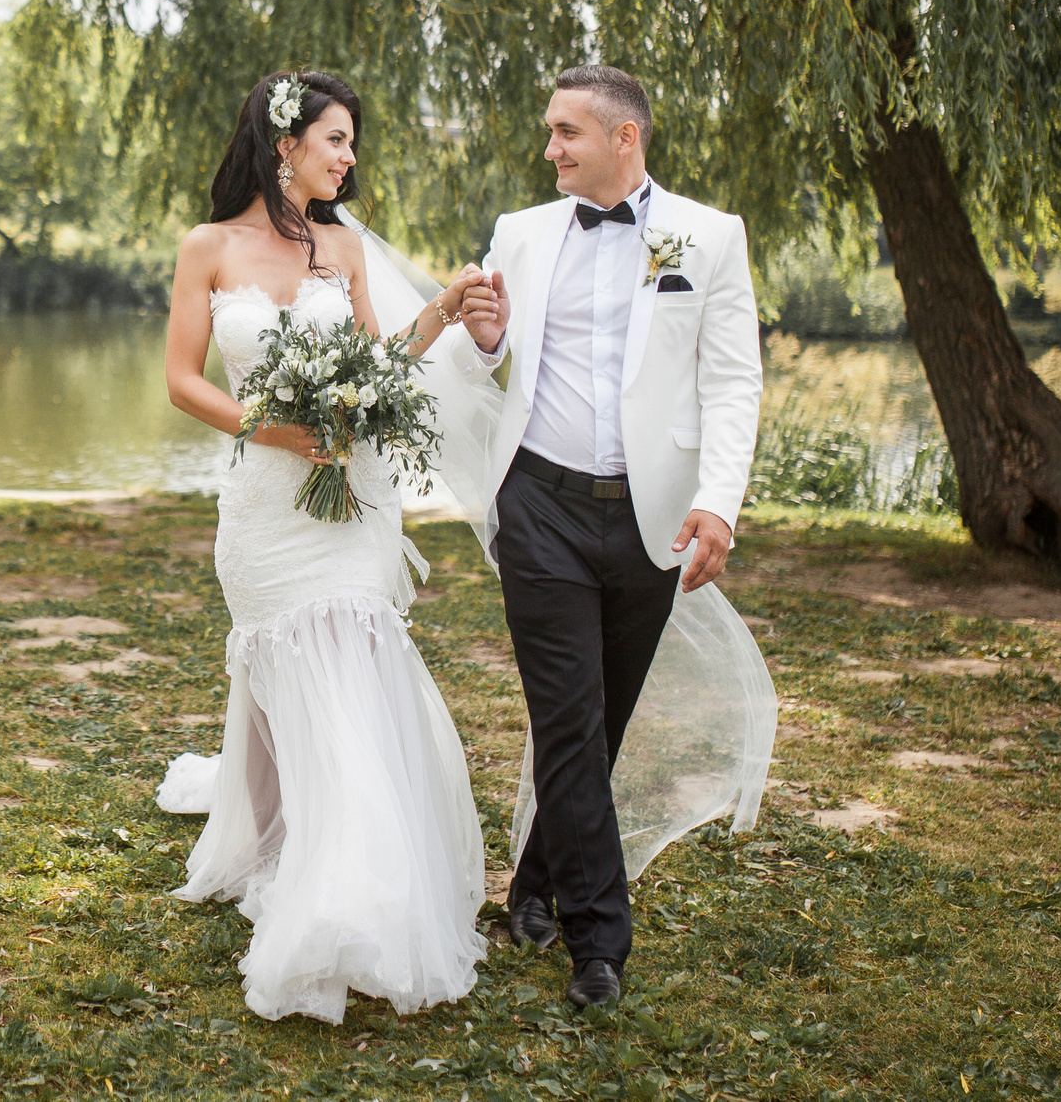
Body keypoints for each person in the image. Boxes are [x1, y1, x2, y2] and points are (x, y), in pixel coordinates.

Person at [153, 69, 493, 1025]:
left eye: (351, 143)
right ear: (283, 144)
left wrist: (443, 311)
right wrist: (273, 427)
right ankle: (298, 846)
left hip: (347, 506)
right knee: (294, 675)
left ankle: (354, 888)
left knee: (349, 661)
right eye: (337, 140)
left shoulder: (342, 249)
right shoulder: (207, 247)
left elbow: (379, 369)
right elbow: (183, 380)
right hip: (264, 512)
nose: (349, 158)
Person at [444, 64, 764, 1010]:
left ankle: (534, 880)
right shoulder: (521, 232)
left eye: (565, 133)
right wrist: (489, 336)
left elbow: (733, 382)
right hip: (538, 502)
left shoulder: (707, 237)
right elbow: (481, 356)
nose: (549, 149)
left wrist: (719, 502)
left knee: (599, 721)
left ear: (624, 138)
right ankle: (599, 943)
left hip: (649, 515)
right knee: (570, 716)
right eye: (549, 131)